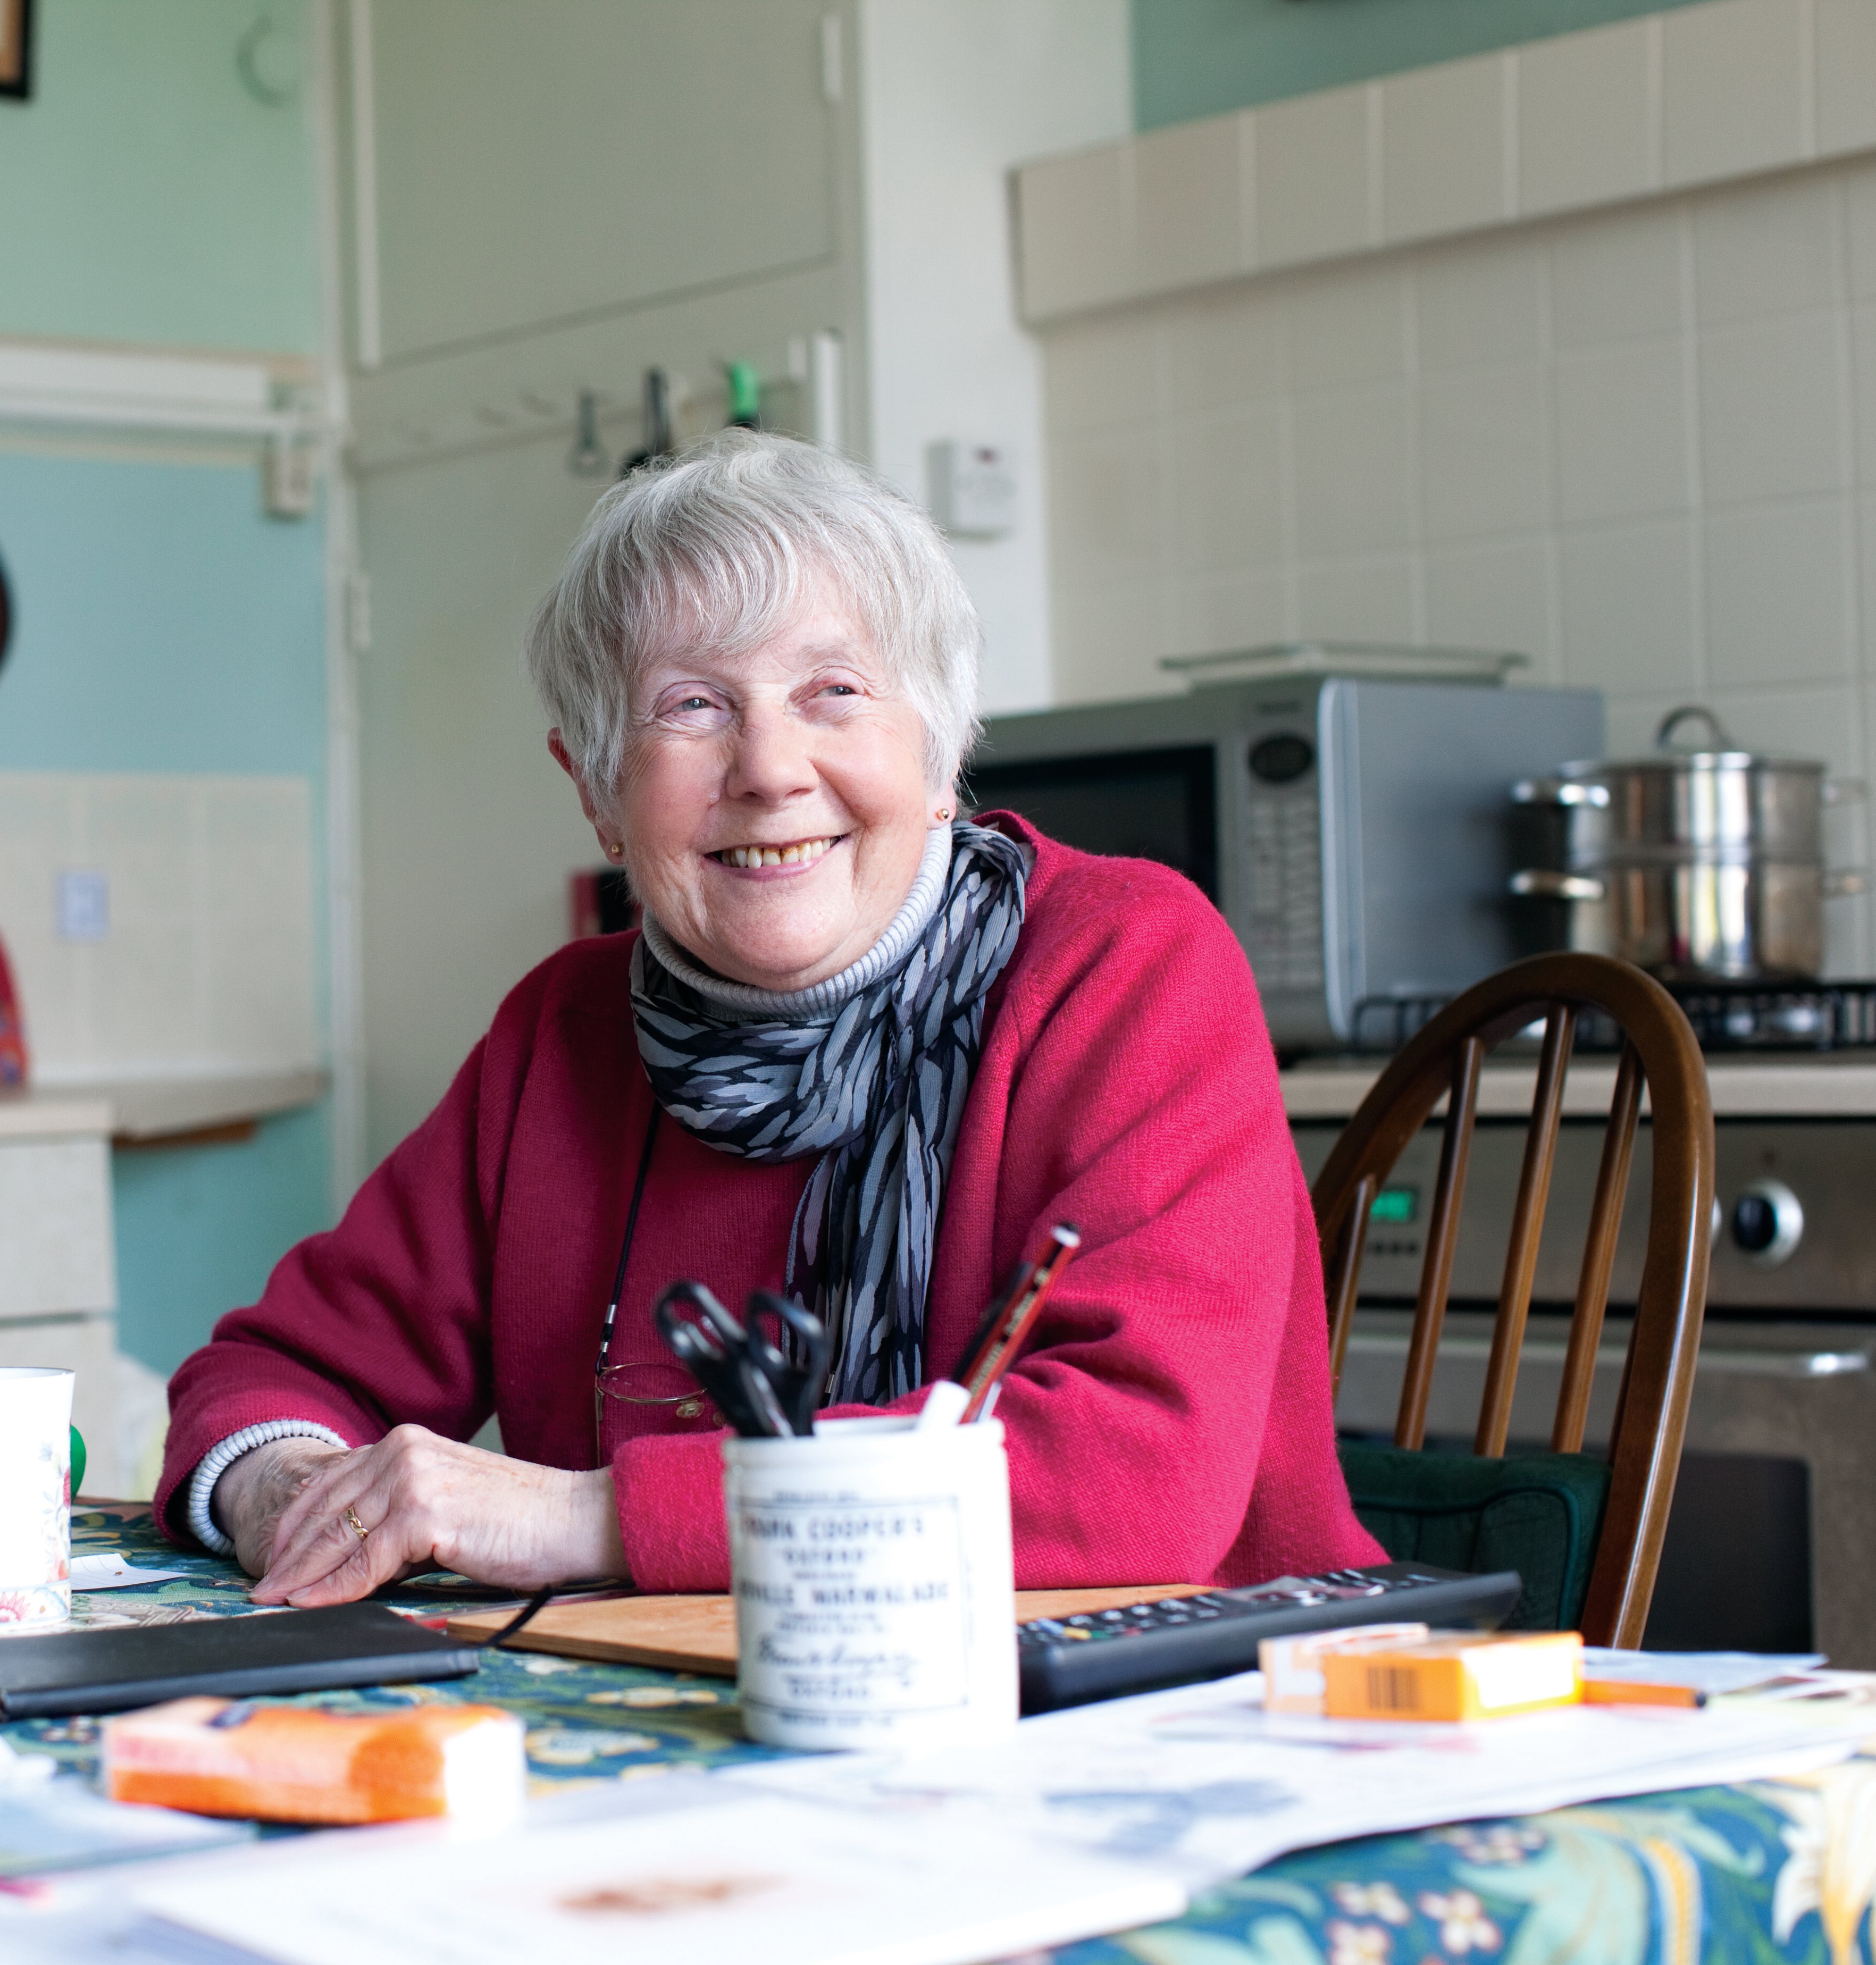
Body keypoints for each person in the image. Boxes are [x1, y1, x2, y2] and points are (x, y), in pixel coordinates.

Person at [160, 429, 1381, 1608]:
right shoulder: (566, 1031)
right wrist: (298, 1493)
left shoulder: (1123, 965)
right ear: (593, 789)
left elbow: (1137, 1476)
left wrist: (580, 1517)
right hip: (709, 1728)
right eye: (692, 707)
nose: (771, 768)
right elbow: (275, 1373)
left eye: (834, 692)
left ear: (941, 751)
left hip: (1162, 1722)